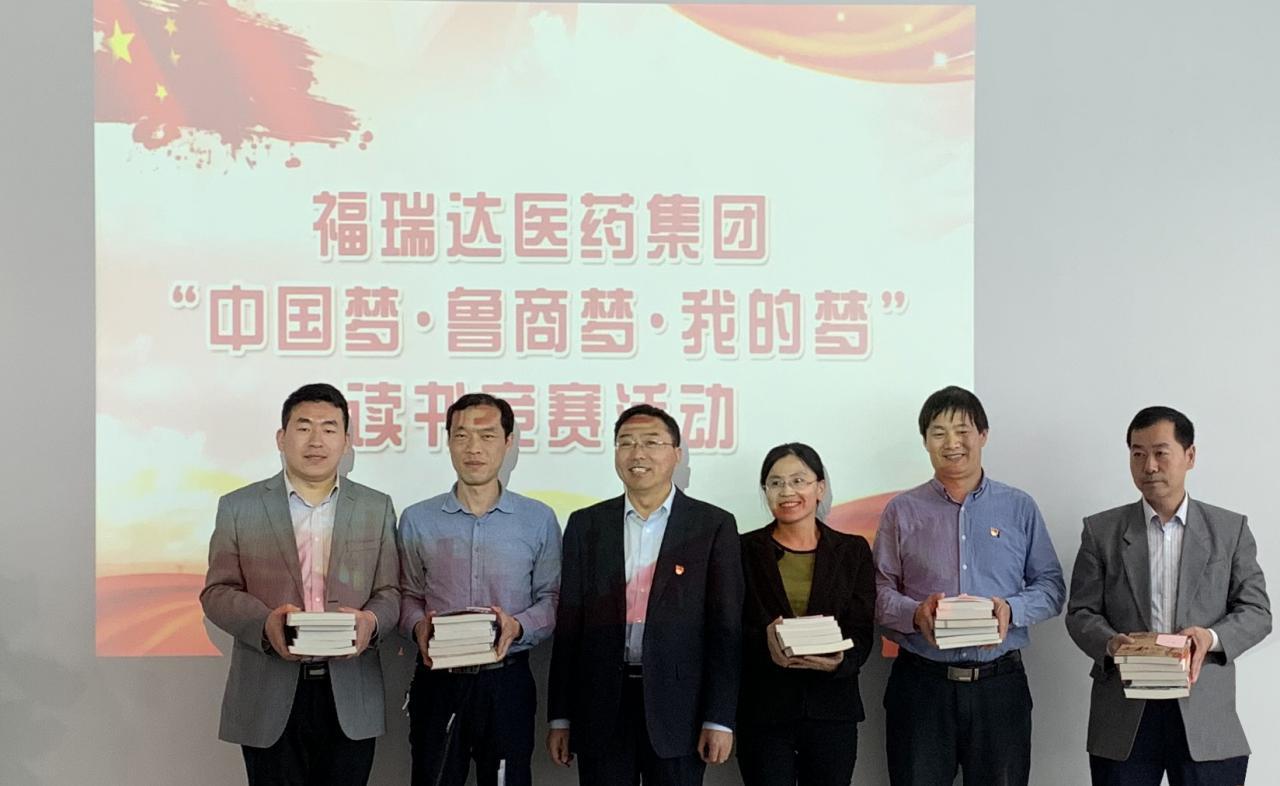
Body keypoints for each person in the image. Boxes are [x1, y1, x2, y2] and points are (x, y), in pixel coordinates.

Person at [201, 383, 399, 785]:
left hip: (350, 693)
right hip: (267, 694)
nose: (316, 440)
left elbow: (390, 592)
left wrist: (371, 622)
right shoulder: (239, 506)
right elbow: (217, 592)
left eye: (329, 428)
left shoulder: (376, 507)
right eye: (304, 427)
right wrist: (265, 624)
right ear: (281, 437)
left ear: (347, 441)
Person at [1066, 406, 1271, 785]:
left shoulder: (1230, 529)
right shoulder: (1101, 531)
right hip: (1125, 714)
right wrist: (1111, 644)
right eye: (1138, 454)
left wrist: (1210, 638)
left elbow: (1257, 611)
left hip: (1204, 713)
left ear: (1189, 456)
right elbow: (1080, 612)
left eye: (1161, 453)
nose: (1149, 466)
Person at [873, 385, 1065, 786]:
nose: (952, 443)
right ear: (925, 441)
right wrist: (915, 614)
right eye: (939, 433)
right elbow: (878, 592)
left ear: (983, 435)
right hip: (922, 685)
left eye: (962, 431)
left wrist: (1012, 609)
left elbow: (1050, 587)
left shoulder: (1019, 507)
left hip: (999, 687)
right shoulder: (901, 511)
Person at [546, 404, 744, 785]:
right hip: (601, 706)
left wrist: (719, 718)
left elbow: (725, 629)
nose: (637, 453)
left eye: (651, 442)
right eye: (626, 443)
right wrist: (560, 717)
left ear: (676, 454)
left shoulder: (713, 525)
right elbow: (569, 626)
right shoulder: (586, 525)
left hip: (680, 710)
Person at [397, 392, 561, 786]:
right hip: (438, 680)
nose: (473, 448)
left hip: (507, 681)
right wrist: (418, 626)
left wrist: (517, 626)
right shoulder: (417, 519)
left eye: (487, 436)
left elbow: (552, 599)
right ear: (448, 441)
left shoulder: (538, 519)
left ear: (509, 442)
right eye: (461, 435)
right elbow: (407, 595)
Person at [737, 443, 875, 786]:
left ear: (820, 488)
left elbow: (862, 630)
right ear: (766, 491)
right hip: (764, 710)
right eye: (775, 483)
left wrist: (840, 661)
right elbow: (729, 628)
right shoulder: (742, 549)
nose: (787, 492)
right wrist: (764, 645)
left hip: (832, 709)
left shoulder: (852, 550)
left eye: (798, 481)